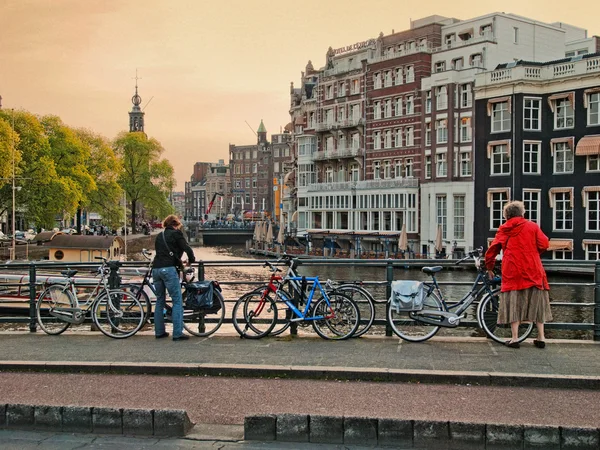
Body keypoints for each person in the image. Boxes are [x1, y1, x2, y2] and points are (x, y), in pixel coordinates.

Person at [484, 201, 552, 349]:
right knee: (537, 302)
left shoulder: (504, 228)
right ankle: (541, 337)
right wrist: (533, 254)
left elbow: (492, 250)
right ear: (522, 213)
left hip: (512, 270)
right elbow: (544, 244)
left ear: (506, 215)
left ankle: (515, 338)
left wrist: (489, 266)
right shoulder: (532, 226)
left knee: (513, 302)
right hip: (533, 269)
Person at [152, 214, 196, 341]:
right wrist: (191, 260)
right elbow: (187, 248)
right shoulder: (176, 234)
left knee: (160, 300)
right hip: (169, 269)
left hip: (156, 269)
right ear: (176, 224)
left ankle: (159, 332)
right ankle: (177, 333)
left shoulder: (160, 236)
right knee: (177, 300)